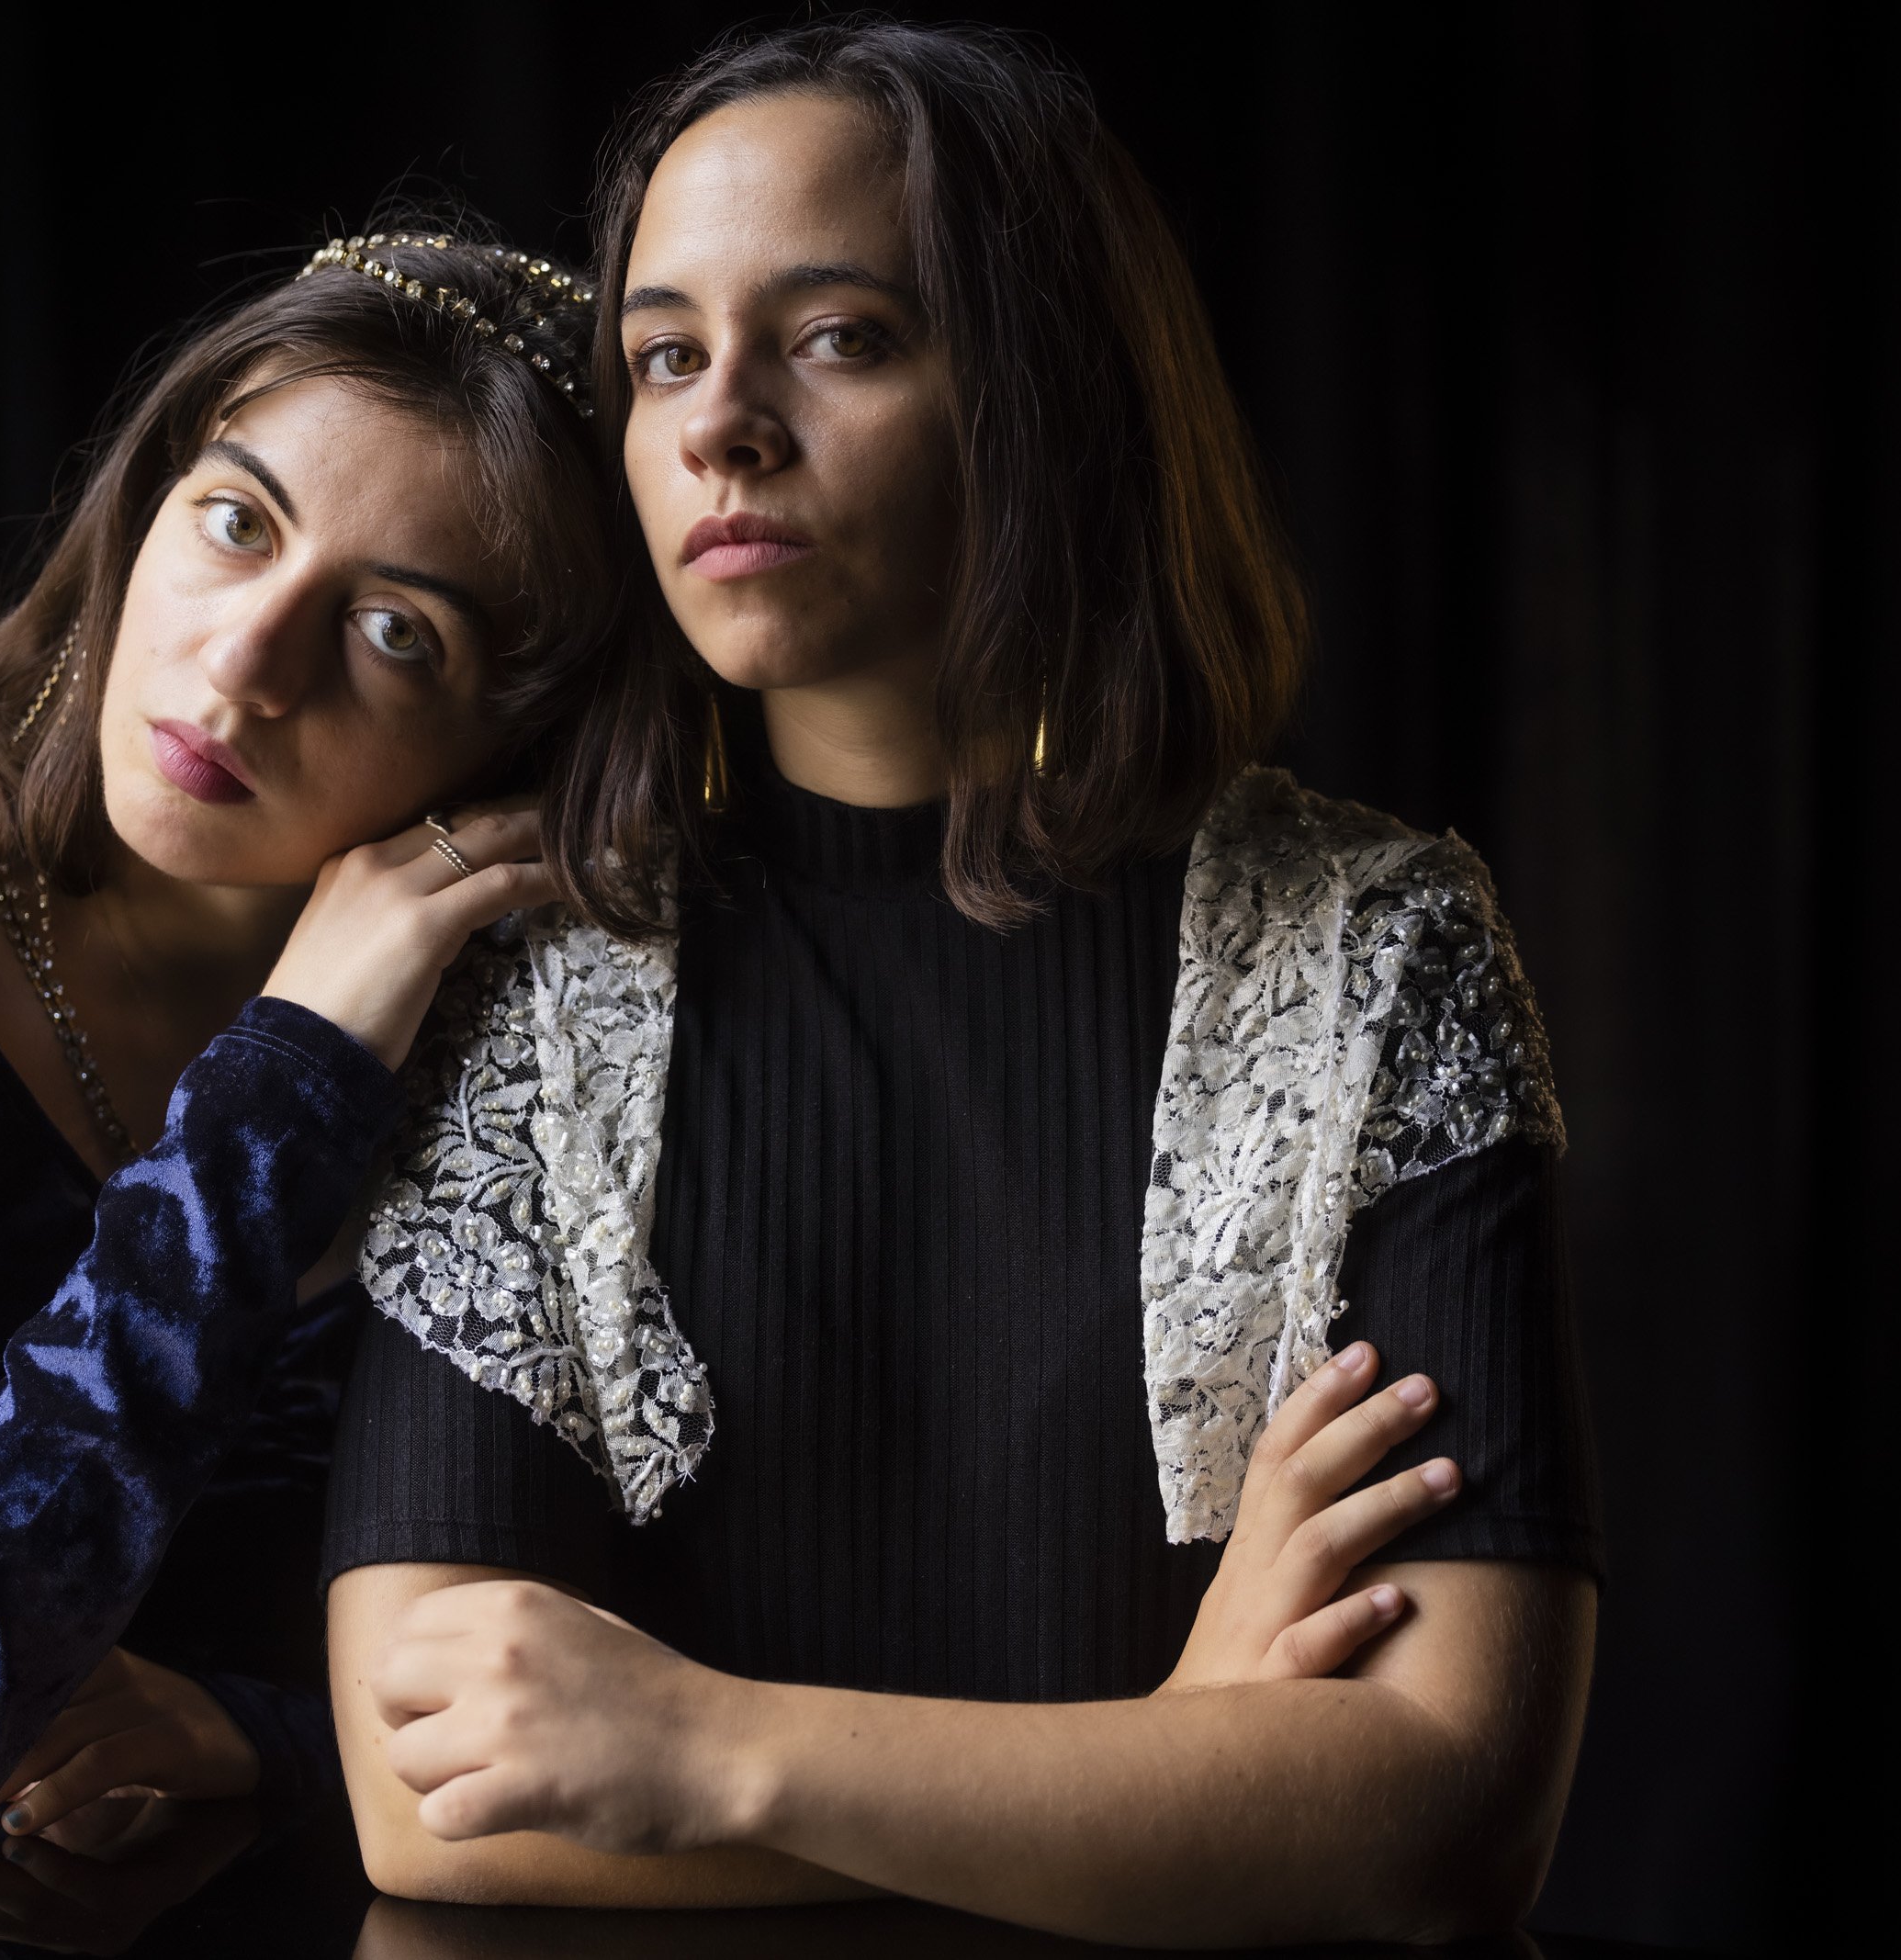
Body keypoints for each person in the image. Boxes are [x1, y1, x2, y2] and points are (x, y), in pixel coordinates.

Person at [308, 24, 1601, 1945]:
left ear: (1042, 388)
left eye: (837, 336)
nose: (719, 424)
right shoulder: (534, 971)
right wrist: (1183, 1764)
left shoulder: (1376, 947)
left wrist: (706, 1747)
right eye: (663, 355)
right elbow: (429, 1796)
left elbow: (1442, 1811)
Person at [0, 227, 610, 1887]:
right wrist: (285, 1079)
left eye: (395, 634)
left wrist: (265, 1734)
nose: (245, 663)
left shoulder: (522, 1029)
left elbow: (654, 1640)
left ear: (512, 749)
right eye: (238, 523)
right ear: (143, 514)